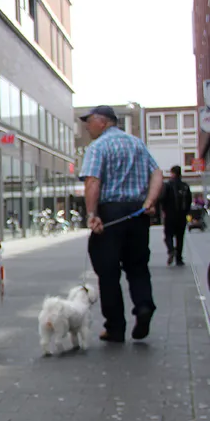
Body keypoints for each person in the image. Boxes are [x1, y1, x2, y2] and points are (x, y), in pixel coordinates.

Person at [79, 105, 163, 343]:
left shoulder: (98, 147)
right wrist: (149, 201)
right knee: (137, 266)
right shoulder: (136, 143)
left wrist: (92, 214)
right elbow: (157, 173)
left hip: (111, 214)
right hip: (137, 212)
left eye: (89, 121)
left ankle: (115, 327)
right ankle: (144, 306)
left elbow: (93, 182)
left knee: (108, 272)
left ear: (103, 122)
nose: (86, 126)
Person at [159, 165, 191, 266]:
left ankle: (171, 250)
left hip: (170, 215)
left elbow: (162, 199)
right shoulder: (185, 186)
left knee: (168, 235)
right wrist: (186, 212)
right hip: (181, 216)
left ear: (172, 173)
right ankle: (179, 259)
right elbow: (189, 200)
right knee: (180, 237)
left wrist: (163, 210)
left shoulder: (168, 185)